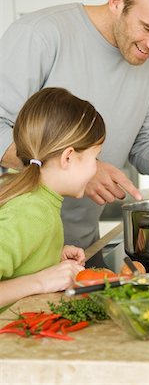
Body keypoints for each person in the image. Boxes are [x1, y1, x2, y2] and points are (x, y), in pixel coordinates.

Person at [0, 0, 149, 250]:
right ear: (117, 2)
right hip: (16, 248)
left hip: (79, 249)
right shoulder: (40, 35)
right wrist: (77, 166)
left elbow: (147, 147)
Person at [0, 87, 106, 308]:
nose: (96, 168)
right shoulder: (31, 212)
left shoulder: (37, 200)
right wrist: (39, 281)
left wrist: (47, 256)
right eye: (95, 157)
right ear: (68, 157)